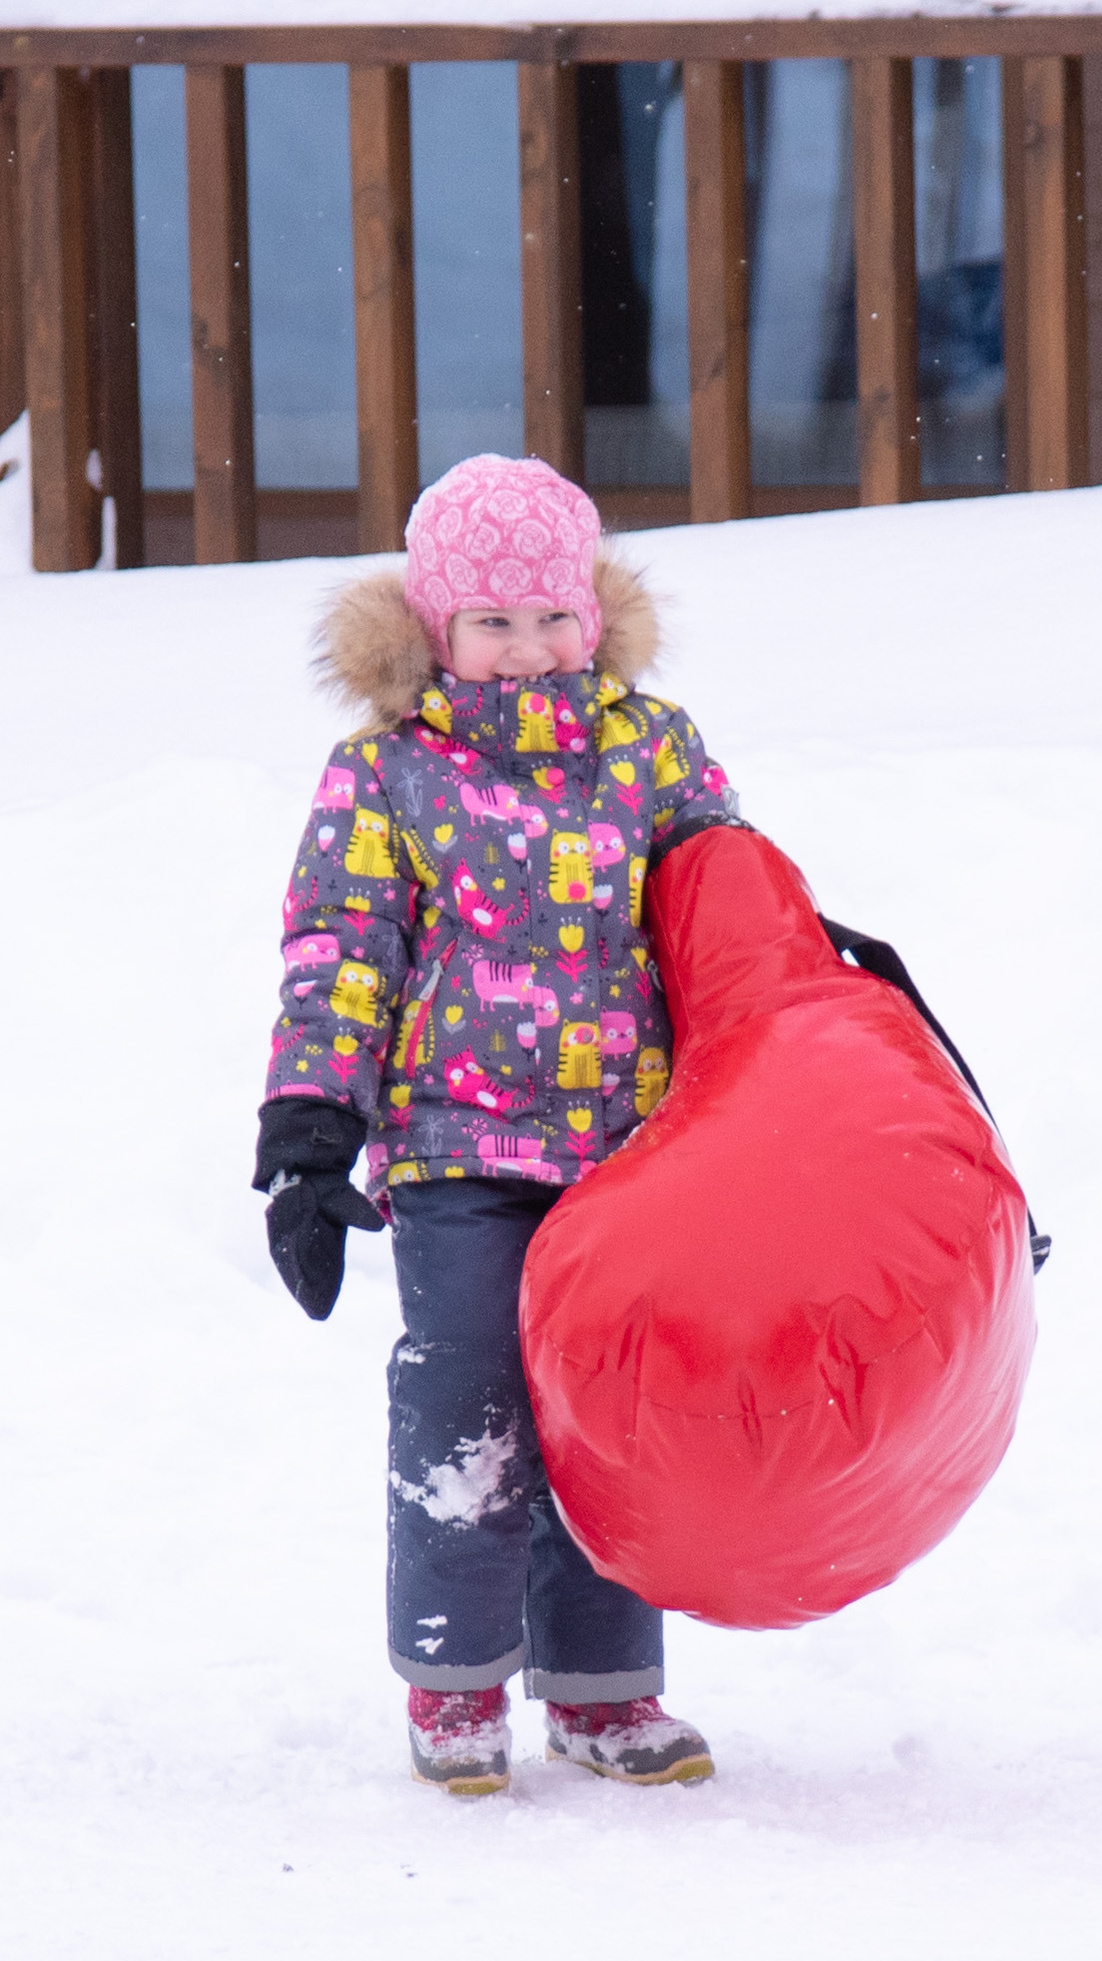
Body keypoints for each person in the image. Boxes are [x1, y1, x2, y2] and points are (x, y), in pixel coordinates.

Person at [255, 455, 740, 1797]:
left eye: (550, 618)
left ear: (591, 617)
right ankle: (456, 1682)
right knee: (467, 1399)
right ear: (435, 630)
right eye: (492, 622)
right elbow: (341, 949)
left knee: (608, 1414)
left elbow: (726, 920)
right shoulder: (386, 774)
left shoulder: (651, 747)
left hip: (625, 1153)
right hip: (458, 1151)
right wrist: (309, 1127)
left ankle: (600, 1691)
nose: (526, 650)